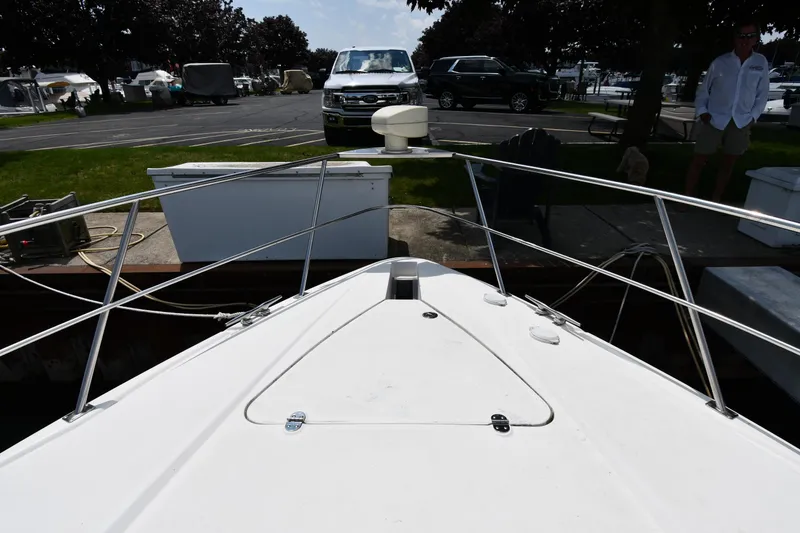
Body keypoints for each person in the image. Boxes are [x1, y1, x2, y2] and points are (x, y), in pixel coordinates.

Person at [683, 21, 769, 203]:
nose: (745, 40)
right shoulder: (720, 62)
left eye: (750, 36)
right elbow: (704, 90)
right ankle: (686, 198)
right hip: (714, 118)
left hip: (741, 120)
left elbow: (762, 94)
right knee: (698, 160)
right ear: (734, 38)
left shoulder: (760, 63)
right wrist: (703, 112)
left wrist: (753, 117)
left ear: (756, 39)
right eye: (741, 36)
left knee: (728, 163)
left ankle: (716, 200)